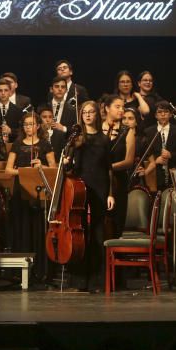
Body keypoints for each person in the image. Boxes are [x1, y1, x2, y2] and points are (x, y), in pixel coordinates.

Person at [69, 100, 114, 291]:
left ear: (97, 115)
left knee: (97, 234)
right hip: (80, 189)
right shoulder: (77, 139)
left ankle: (97, 281)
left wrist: (111, 194)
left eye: (91, 112)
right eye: (85, 112)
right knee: (81, 234)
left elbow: (109, 169)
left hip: (100, 188)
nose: (88, 115)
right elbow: (70, 167)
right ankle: (79, 280)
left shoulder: (104, 140)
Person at [4, 112, 54, 254]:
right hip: (21, 188)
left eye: (31, 124)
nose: (28, 127)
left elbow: (53, 169)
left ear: (38, 126)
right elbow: (8, 170)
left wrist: (40, 167)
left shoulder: (45, 145)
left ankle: (39, 262)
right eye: (25, 125)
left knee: (38, 225)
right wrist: (24, 172)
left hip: (39, 190)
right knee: (21, 224)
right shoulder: (17, 144)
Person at [101, 95, 136, 238]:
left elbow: (129, 161)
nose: (121, 110)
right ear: (107, 108)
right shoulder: (97, 129)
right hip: (99, 181)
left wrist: (108, 167)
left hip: (119, 182)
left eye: (123, 107)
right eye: (117, 106)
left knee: (115, 224)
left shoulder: (128, 131)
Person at [139, 101, 176, 192]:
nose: (163, 115)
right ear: (155, 115)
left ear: (170, 114)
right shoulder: (149, 132)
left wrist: (171, 155)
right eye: (159, 112)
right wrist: (155, 161)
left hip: (174, 174)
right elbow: (145, 154)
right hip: (155, 176)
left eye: (166, 112)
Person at [0, 78, 24, 144]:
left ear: (10, 92)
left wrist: (11, 131)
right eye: (0, 91)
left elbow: (23, 130)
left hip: (13, 145)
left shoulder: (18, 110)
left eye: (6, 90)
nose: (3, 93)